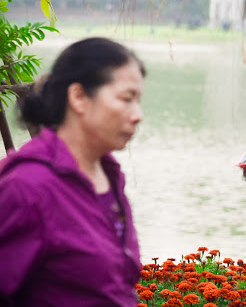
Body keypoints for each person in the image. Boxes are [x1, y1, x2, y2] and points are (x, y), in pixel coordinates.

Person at [0, 37, 145, 306]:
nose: (138, 115)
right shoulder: (27, 187)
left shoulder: (109, 176)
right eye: (127, 99)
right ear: (78, 97)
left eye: (138, 100)